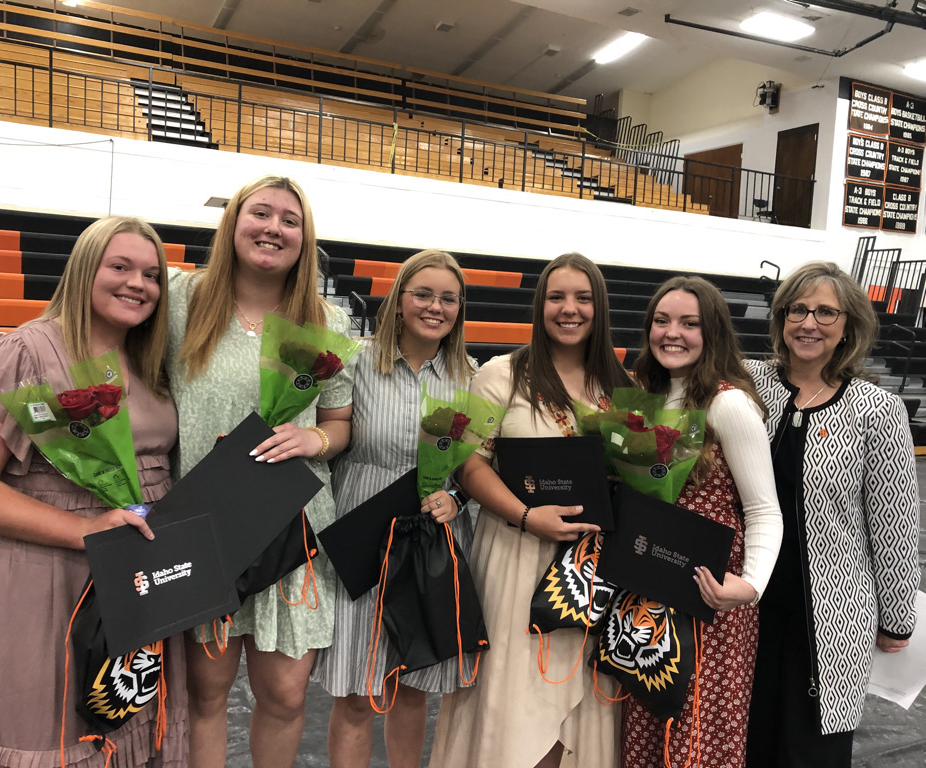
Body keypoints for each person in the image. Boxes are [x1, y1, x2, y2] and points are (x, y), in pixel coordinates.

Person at [0, 216, 188, 767]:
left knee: (128, 716)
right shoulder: (24, 352)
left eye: (151, 274)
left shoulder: (149, 363)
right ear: (82, 270)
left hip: (139, 572)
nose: (137, 284)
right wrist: (86, 530)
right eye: (119, 267)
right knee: (47, 724)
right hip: (46, 574)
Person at [166, 175, 354, 768]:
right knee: (206, 693)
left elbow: (341, 424)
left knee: (284, 694)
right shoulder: (180, 300)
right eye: (261, 213)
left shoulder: (327, 322)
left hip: (288, 530)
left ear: (304, 239)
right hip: (204, 525)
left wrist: (316, 436)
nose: (274, 228)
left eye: (289, 221)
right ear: (233, 223)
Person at [430, 252, 634, 768]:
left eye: (583, 298)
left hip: (590, 574)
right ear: (540, 306)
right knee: (515, 711)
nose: (570, 309)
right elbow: (470, 466)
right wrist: (525, 515)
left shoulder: (622, 387)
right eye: (558, 297)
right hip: (516, 557)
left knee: (583, 712)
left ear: (600, 307)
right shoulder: (502, 375)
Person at [744, 262, 919, 768]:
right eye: (798, 309)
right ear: (781, 318)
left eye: (825, 311)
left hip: (830, 616)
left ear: (848, 325)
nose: (809, 323)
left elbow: (894, 525)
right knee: (745, 737)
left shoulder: (876, 408)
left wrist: (899, 618)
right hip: (743, 606)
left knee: (809, 749)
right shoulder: (748, 385)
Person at [311, 249, 477, 768]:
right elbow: (332, 433)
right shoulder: (356, 363)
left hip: (433, 533)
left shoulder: (472, 377)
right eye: (423, 294)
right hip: (364, 525)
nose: (436, 306)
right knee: (357, 691)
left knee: (413, 687)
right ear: (399, 300)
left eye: (448, 298)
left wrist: (459, 497)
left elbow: (479, 464)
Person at [620, 275, 783, 768]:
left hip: (706, 600)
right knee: (648, 730)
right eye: (662, 321)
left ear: (711, 333)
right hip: (647, 592)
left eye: (690, 324)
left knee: (696, 738)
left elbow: (763, 510)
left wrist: (750, 584)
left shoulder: (726, 403)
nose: (673, 333)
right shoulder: (640, 396)